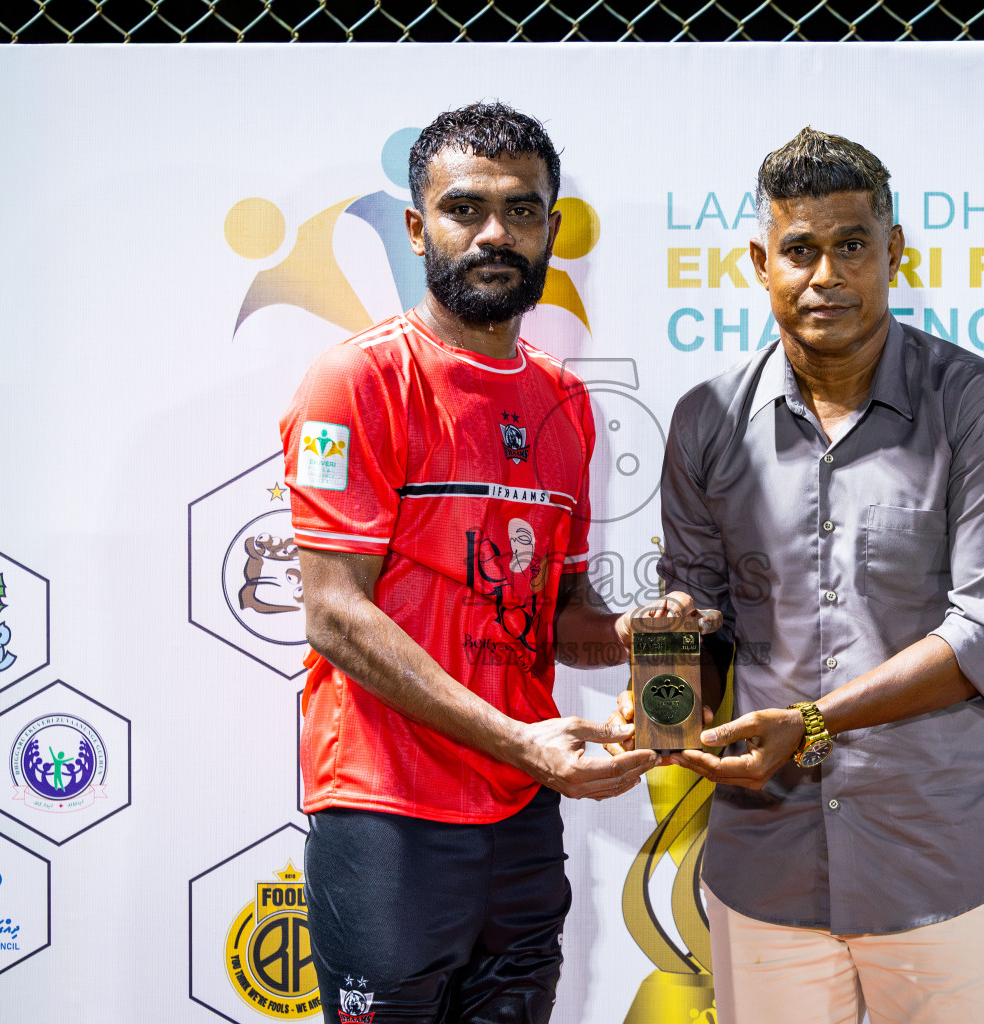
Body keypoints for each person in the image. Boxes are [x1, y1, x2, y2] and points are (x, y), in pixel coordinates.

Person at [636, 128, 984, 1024]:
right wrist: (670, 665)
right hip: (767, 870)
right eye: (800, 250)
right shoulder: (706, 421)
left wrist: (815, 722)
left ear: (895, 253)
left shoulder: (977, 408)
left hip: (939, 869)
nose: (826, 275)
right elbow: (703, 619)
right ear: (759, 261)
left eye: (852, 245)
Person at [281, 102, 683, 1024]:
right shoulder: (360, 380)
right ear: (418, 228)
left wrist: (630, 635)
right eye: (466, 209)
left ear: (552, 229)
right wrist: (518, 742)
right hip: (388, 813)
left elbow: (559, 616)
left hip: (520, 814)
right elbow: (335, 614)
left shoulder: (566, 403)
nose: (496, 233)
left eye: (524, 209)